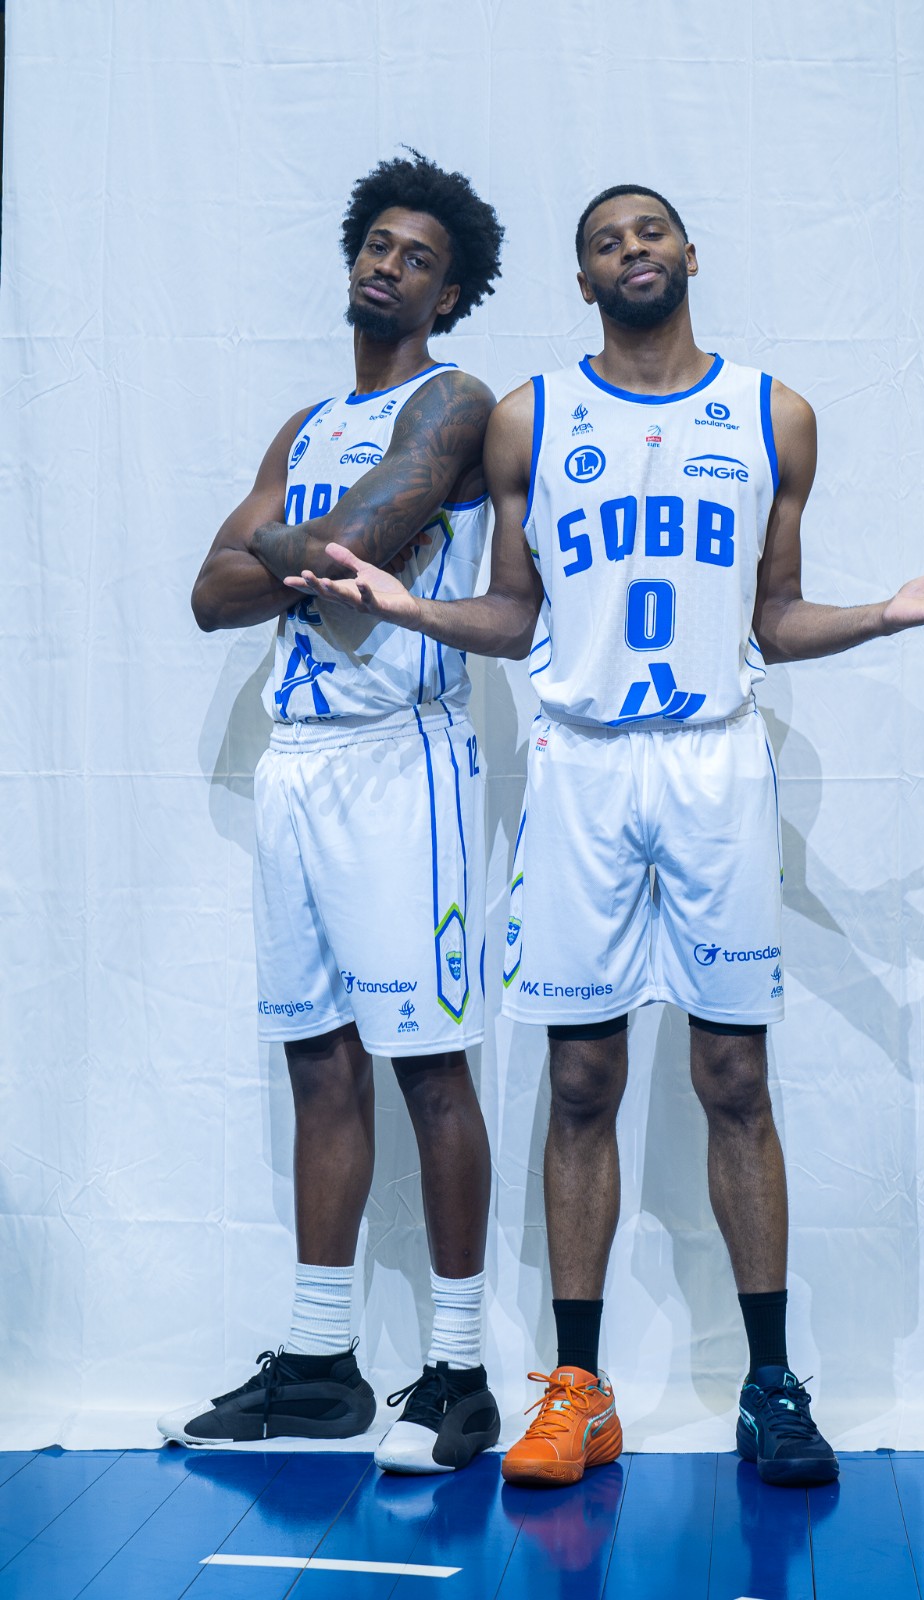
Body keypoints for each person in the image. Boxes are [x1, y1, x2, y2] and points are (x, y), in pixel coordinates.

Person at [287, 183, 924, 1488]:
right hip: (581, 768)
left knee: (734, 1077)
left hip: (713, 766)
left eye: (649, 231)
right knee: (580, 1082)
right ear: (582, 281)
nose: (631, 248)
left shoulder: (772, 415)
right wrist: (406, 608)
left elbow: (773, 617)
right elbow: (517, 615)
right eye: (603, 241)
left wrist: (886, 616)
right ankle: (577, 1392)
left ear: (690, 253)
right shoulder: (530, 418)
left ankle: (771, 1385)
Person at [158, 151, 506, 1475]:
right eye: (377, 246)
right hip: (297, 760)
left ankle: (461, 1374)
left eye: (418, 258)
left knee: (429, 1063)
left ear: (449, 293)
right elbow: (211, 595)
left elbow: (364, 540)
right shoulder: (303, 428)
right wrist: (310, 555)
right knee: (317, 1057)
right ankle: (319, 1368)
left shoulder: (454, 401)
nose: (388, 267)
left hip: (402, 759)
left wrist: (295, 552)